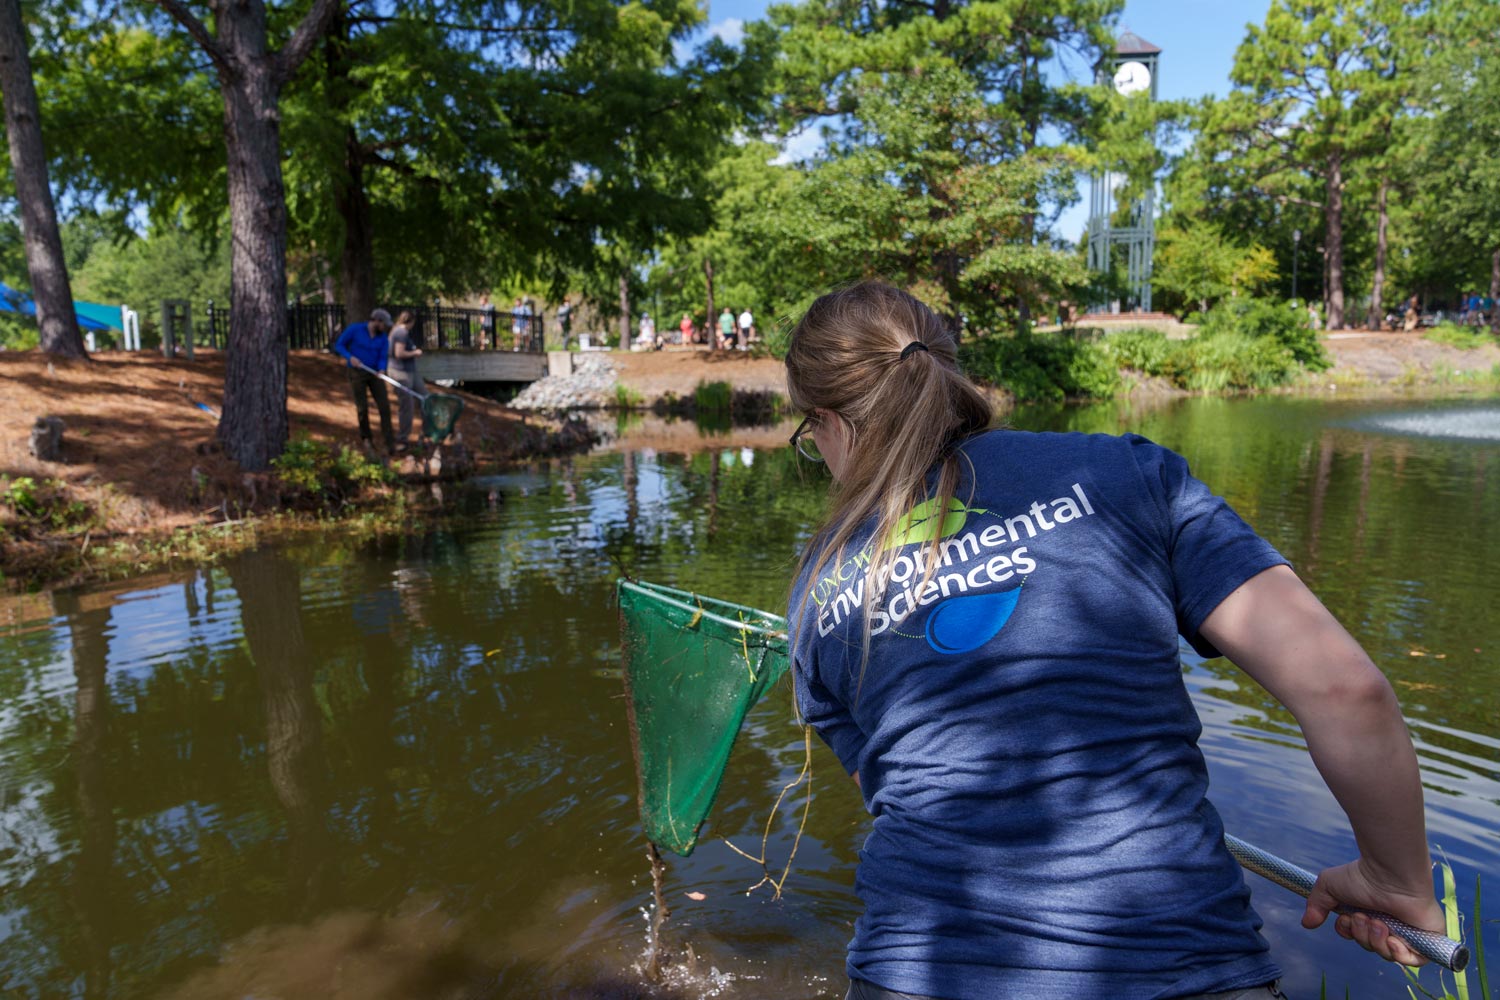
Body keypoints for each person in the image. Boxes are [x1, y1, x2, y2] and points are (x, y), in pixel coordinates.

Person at [783, 281, 1443, 1000]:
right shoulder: (1125, 473)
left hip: (919, 973)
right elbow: (1344, 690)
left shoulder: (815, 593)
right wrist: (1395, 878)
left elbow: (905, 792)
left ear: (828, 421)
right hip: (1182, 967)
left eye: (809, 439)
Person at [333, 308, 396, 454]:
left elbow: (382, 356)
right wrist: (350, 357)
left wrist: (381, 369)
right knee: (362, 407)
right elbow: (339, 345)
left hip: (374, 374)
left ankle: (389, 442)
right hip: (357, 372)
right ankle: (366, 438)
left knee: (384, 406)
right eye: (383, 324)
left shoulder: (383, 338)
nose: (385, 327)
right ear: (376, 321)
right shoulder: (355, 329)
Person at [387, 310, 424, 448]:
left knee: (425, 399)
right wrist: (415, 352)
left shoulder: (397, 331)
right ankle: (403, 438)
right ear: (411, 321)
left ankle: (427, 433)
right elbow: (399, 353)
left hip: (410, 371)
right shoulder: (401, 332)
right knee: (407, 405)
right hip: (401, 373)